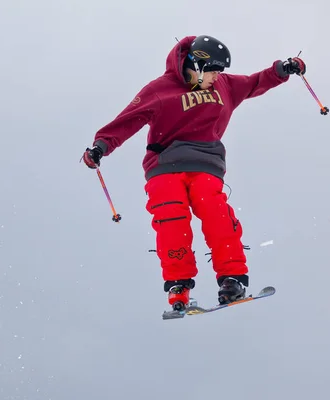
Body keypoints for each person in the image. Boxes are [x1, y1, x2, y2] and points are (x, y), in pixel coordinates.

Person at [82, 35, 306, 311]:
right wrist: (101, 146)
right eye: (212, 70)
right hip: (165, 165)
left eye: (219, 71)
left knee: (217, 215)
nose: (217, 76)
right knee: (171, 218)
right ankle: (179, 285)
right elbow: (130, 118)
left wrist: (281, 70)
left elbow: (255, 82)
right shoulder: (160, 89)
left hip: (206, 164)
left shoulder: (225, 86)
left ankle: (232, 279)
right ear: (197, 66)